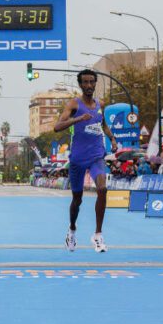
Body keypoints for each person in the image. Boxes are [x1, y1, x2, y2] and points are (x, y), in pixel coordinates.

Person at [54, 69, 118, 253]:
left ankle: (98, 235)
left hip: (97, 155)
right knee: (77, 200)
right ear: (80, 85)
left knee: (102, 189)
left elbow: (102, 123)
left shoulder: (100, 104)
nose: (89, 85)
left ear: (95, 84)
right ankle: (72, 230)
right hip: (77, 159)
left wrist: (112, 139)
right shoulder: (74, 104)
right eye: (85, 82)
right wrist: (78, 119)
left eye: (92, 82)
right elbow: (57, 127)